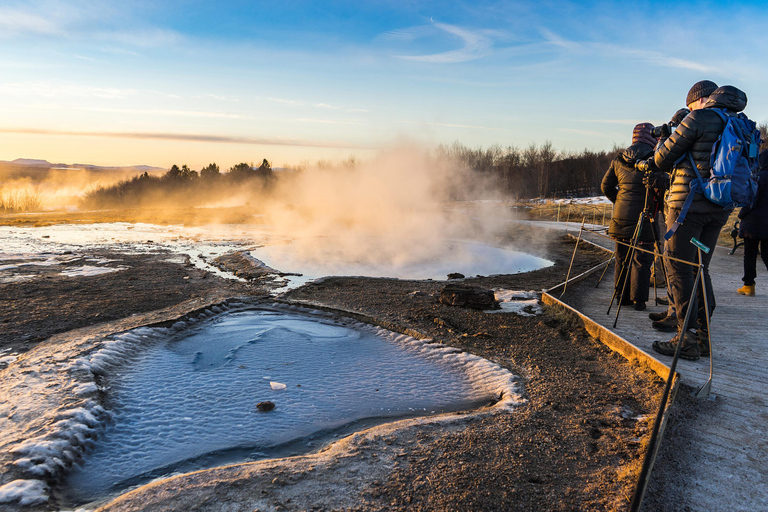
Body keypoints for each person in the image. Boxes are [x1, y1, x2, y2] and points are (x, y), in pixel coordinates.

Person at [651, 80, 750, 360]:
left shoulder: (697, 118)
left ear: (701, 100)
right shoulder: (741, 122)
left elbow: (661, 159)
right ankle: (704, 336)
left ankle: (686, 338)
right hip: (719, 211)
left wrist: (664, 136)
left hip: (688, 209)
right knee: (699, 268)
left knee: (679, 267)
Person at [601, 123, 658, 311]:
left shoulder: (619, 159)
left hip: (621, 218)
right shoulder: (656, 159)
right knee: (642, 259)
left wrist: (619, 202)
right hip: (646, 216)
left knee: (621, 257)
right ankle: (639, 301)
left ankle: (621, 297)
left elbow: (605, 186)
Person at [736, 149, 768, 295]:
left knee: (750, 254)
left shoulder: (757, 177)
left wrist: (741, 215)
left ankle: (749, 285)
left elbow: (750, 200)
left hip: (752, 223)